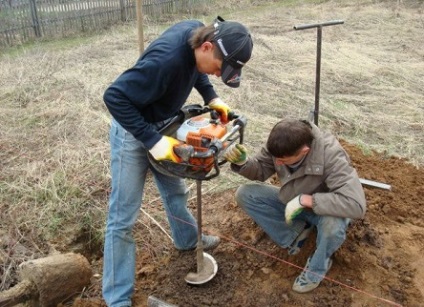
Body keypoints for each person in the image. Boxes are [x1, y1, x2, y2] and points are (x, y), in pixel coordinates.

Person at [101, 16, 253, 307]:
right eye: (221, 68)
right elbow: (114, 97)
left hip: (166, 123)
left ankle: (186, 239)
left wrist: (211, 96)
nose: (220, 75)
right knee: (123, 217)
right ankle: (117, 298)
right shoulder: (165, 61)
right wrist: (152, 140)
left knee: (175, 191)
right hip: (133, 132)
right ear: (207, 47)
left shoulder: (195, 33)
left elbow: (195, 70)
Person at [224, 118, 366, 293]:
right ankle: (295, 235)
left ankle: (317, 268)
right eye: (277, 159)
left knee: (333, 226)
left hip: (326, 210)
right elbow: (261, 170)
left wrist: (308, 201)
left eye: (284, 161)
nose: (278, 163)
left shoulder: (331, 157)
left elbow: (355, 205)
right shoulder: (281, 144)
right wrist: (243, 163)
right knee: (246, 194)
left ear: (304, 151)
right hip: (292, 200)